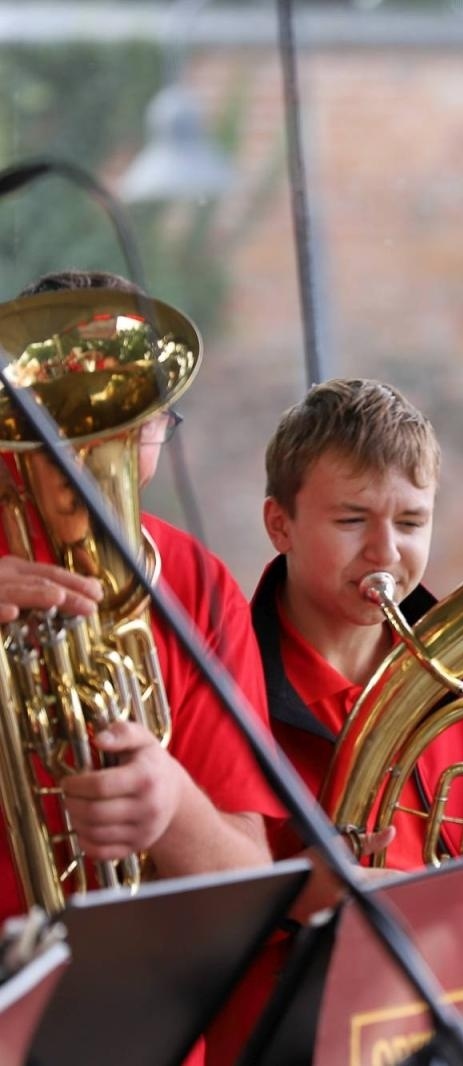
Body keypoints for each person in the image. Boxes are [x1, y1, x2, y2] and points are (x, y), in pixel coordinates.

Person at [205, 378, 463, 1062]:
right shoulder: (217, 688)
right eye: (352, 519)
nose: (387, 552)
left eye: (412, 522)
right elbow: (182, 915)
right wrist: (294, 894)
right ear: (280, 525)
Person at [0, 271, 284, 1066]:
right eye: (60, 424)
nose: (93, 453)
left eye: (135, 422)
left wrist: (173, 808)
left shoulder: (196, 587)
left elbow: (245, 879)